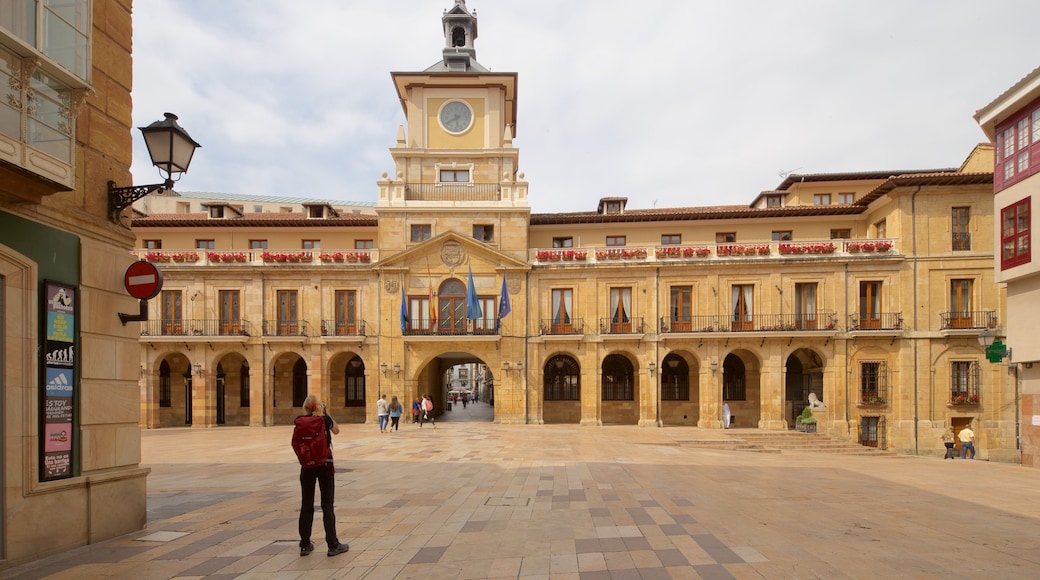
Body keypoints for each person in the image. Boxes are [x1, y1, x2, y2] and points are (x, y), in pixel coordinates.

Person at [296, 395, 349, 557]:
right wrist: (326, 413)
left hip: (307, 466)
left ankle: (305, 544)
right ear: (319, 407)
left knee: (306, 504)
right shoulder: (324, 420)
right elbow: (337, 431)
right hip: (325, 465)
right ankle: (333, 545)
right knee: (327, 505)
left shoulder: (300, 422)